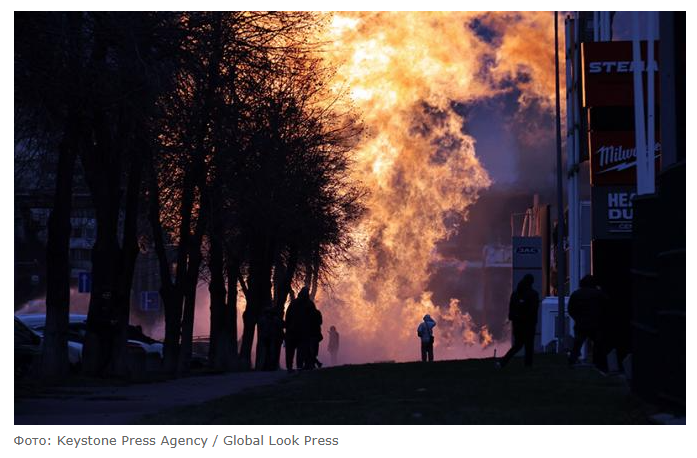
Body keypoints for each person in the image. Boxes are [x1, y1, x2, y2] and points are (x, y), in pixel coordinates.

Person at [497, 274, 540, 368]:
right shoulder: (533, 294)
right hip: (528, 324)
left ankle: (503, 362)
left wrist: (514, 317)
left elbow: (511, 308)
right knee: (528, 346)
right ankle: (528, 365)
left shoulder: (516, 293)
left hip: (518, 324)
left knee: (518, 345)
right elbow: (533, 309)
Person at [568, 274, 609, 371]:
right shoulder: (598, 294)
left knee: (577, 343)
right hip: (595, 323)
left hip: (581, 323)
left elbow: (571, 309)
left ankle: (572, 360)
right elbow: (606, 305)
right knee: (598, 343)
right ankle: (598, 363)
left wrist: (577, 318)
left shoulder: (576, 294)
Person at [284, 288, 305, 373]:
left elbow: (287, 316)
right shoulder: (307, 304)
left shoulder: (293, 303)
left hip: (291, 330)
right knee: (300, 349)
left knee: (290, 350)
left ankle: (289, 367)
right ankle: (299, 366)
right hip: (300, 331)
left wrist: (287, 327)